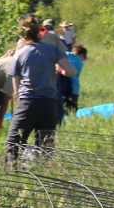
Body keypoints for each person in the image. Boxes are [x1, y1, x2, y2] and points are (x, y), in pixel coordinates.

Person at [5, 15, 76, 162]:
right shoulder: (52, 50)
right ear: (40, 32)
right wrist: (59, 70)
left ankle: (12, 171)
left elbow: (17, 90)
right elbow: (71, 72)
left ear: (22, 34)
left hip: (27, 103)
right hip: (49, 103)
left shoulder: (19, 54)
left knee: (14, 142)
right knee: (46, 146)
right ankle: (44, 175)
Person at [64, 44, 87, 112]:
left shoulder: (65, 54)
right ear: (82, 55)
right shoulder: (79, 62)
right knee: (72, 108)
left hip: (61, 85)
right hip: (74, 88)